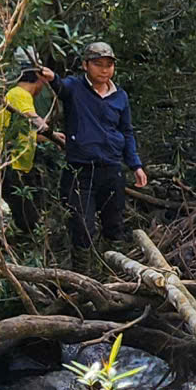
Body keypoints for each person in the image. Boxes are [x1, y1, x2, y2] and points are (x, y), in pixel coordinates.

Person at [54, 40, 147, 249]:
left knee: (114, 225)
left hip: (112, 169)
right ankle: (82, 268)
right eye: (98, 64)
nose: (104, 70)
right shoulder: (74, 87)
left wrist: (136, 165)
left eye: (109, 65)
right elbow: (59, 85)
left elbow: (126, 131)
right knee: (82, 227)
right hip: (80, 170)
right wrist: (49, 77)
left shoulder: (120, 96)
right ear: (85, 65)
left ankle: (114, 264)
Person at [0, 63, 59, 242]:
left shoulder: (18, 97)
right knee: (27, 217)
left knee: (27, 211)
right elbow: (35, 121)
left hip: (16, 165)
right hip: (10, 163)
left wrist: (54, 138)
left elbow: (28, 133)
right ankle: (17, 247)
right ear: (40, 79)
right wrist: (52, 134)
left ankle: (19, 244)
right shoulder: (19, 94)